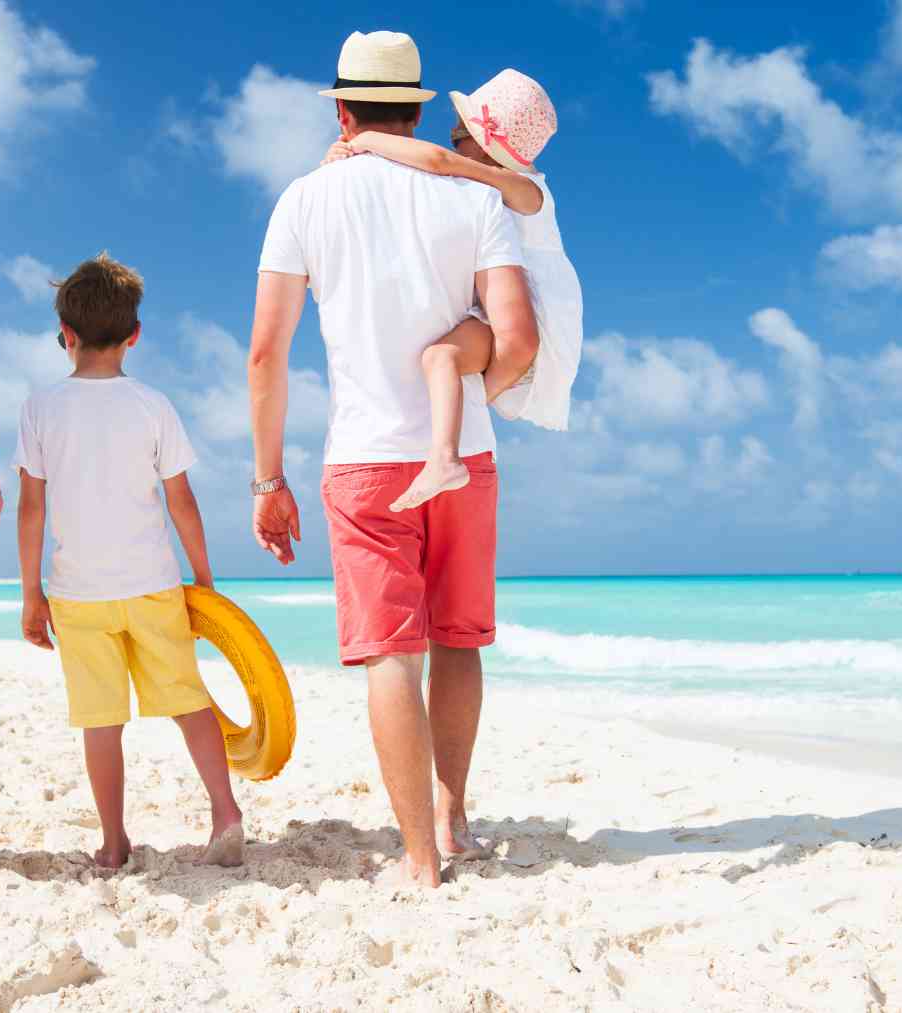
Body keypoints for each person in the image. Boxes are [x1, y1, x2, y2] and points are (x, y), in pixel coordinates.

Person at [249, 30, 540, 888]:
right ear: (416, 111)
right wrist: (472, 397)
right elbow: (515, 339)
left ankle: (417, 858)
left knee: (390, 657)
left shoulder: (305, 199)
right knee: (459, 641)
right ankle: (455, 820)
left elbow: (267, 354)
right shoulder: (477, 199)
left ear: (343, 111)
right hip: (466, 456)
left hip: (366, 460)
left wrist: (268, 479)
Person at [15, 254, 245, 870]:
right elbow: (183, 501)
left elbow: (30, 508)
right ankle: (225, 812)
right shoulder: (152, 405)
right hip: (152, 585)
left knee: (101, 721)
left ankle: (114, 841)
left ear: (65, 335)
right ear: (134, 335)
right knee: (187, 699)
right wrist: (204, 579)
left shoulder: (40, 408)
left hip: (76, 592)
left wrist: (30, 592)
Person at [327, 69, 583, 512]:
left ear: (488, 144)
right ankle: (446, 454)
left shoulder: (529, 191)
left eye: (458, 133)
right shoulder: (488, 190)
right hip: (506, 305)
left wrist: (363, 142)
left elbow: (440, 163)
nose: (451, 143)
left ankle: (445, 456)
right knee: (442, 359)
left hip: (536, 312)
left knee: (441, 358)